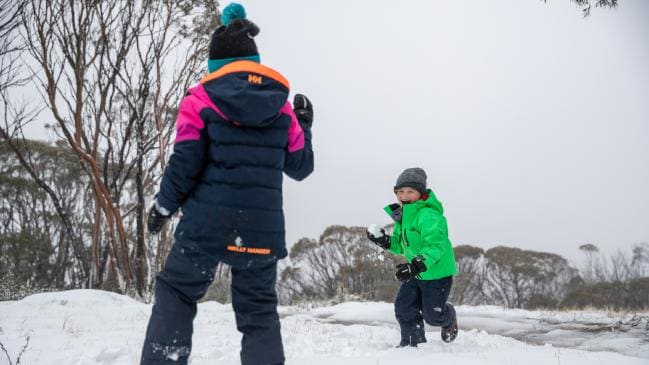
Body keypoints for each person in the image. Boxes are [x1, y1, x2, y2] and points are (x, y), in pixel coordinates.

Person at [140, 3, 314, 365]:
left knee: (176, 291)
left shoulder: (199, 100)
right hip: (262, 232)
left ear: (214, 67)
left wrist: (163, 206)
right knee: (259, 313)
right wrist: (305, 127)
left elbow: (184, 163)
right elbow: (300, 168)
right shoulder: (281, 108)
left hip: (207, 225)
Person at [366, 167, 458, 347]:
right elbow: (402, 244)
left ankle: (449, 317)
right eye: (400, 191)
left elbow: (435, 246)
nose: (404, 195)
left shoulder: (429, 215)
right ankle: (412, 344)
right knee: (404, 307)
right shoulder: (403, 215)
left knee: (433, 315)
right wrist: (384, 241)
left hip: (437, 273)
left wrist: (415, 265)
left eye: (410, 191)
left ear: (421, 193)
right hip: (416, 272)